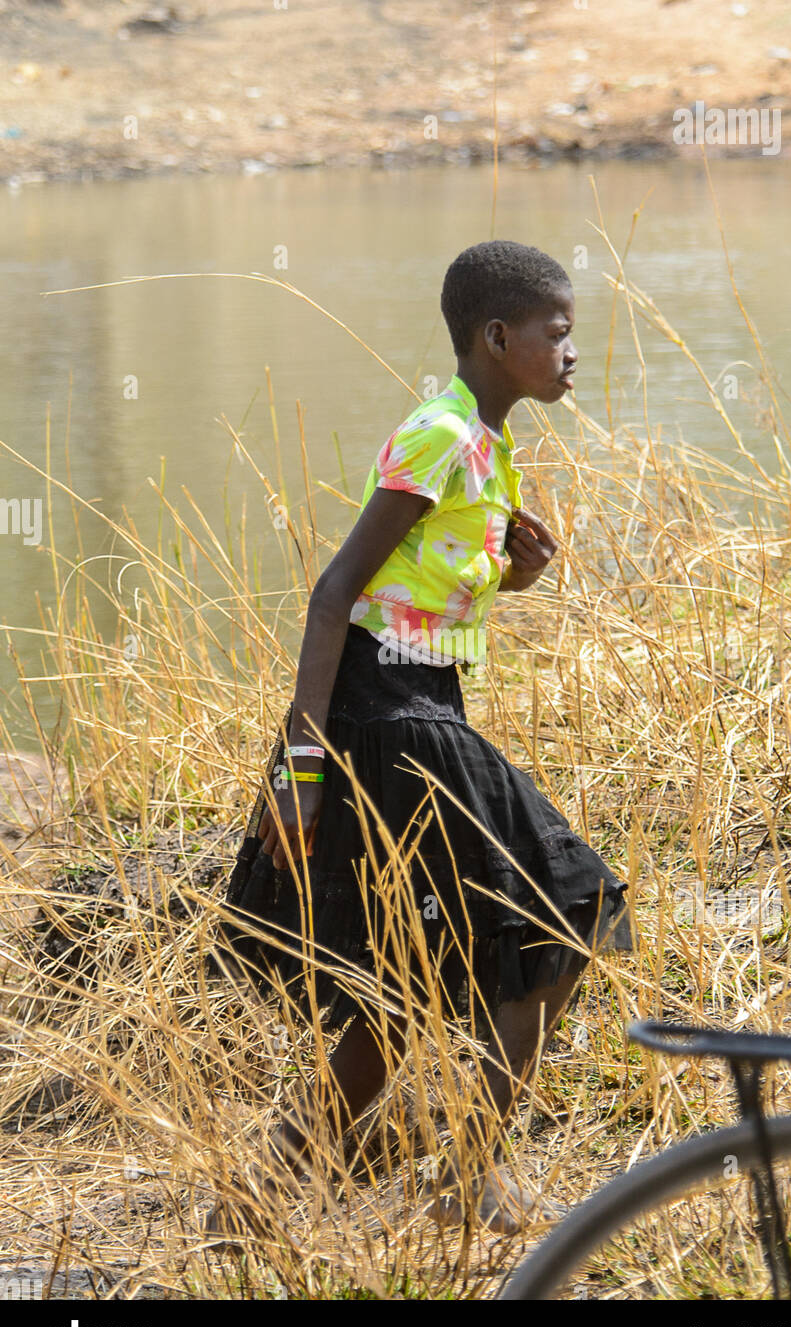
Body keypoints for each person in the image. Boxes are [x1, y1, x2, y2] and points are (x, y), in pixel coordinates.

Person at [207, 240, 633, 1242]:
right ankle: (470, 1183)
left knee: (408, 978)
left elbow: (426, 597)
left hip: (419, 702)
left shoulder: (486, 445)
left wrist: (516, 575)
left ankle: (260, 1195)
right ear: (497, 337)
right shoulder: (439, 433)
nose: (573, 352)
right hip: (388, 716)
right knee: (569, 909)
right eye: (557, 333)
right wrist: (300, 767)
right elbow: (332, 596)